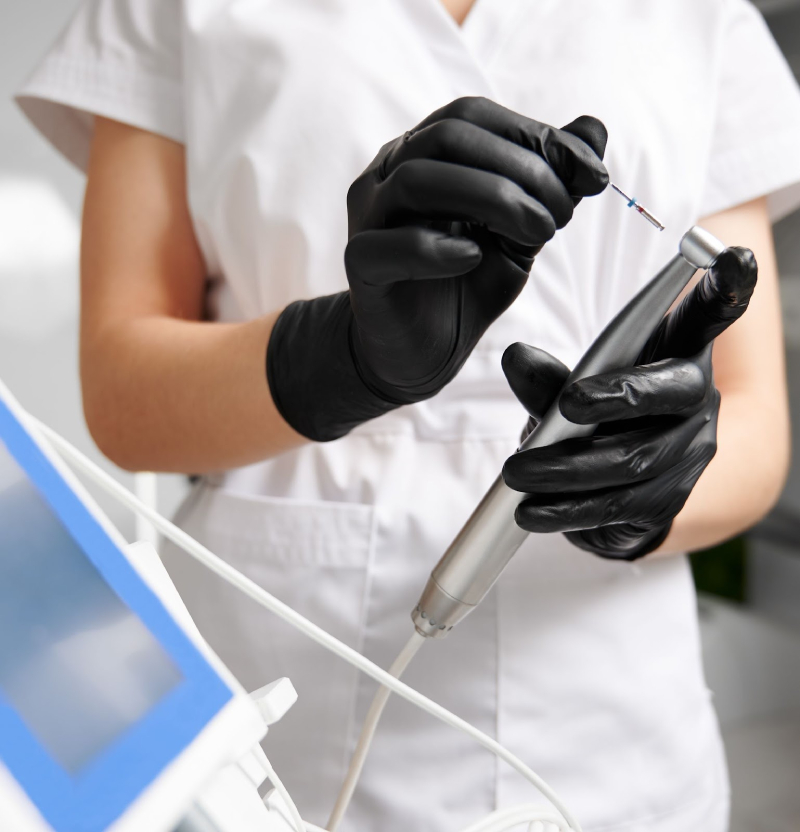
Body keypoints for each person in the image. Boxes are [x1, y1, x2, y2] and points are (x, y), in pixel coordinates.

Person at [15, 1, 800, 830]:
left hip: (610, 732)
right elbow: (124, 396)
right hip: (283, 704)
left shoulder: (701, 14)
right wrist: (341, 358)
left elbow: (756, 423)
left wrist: (643, 487)